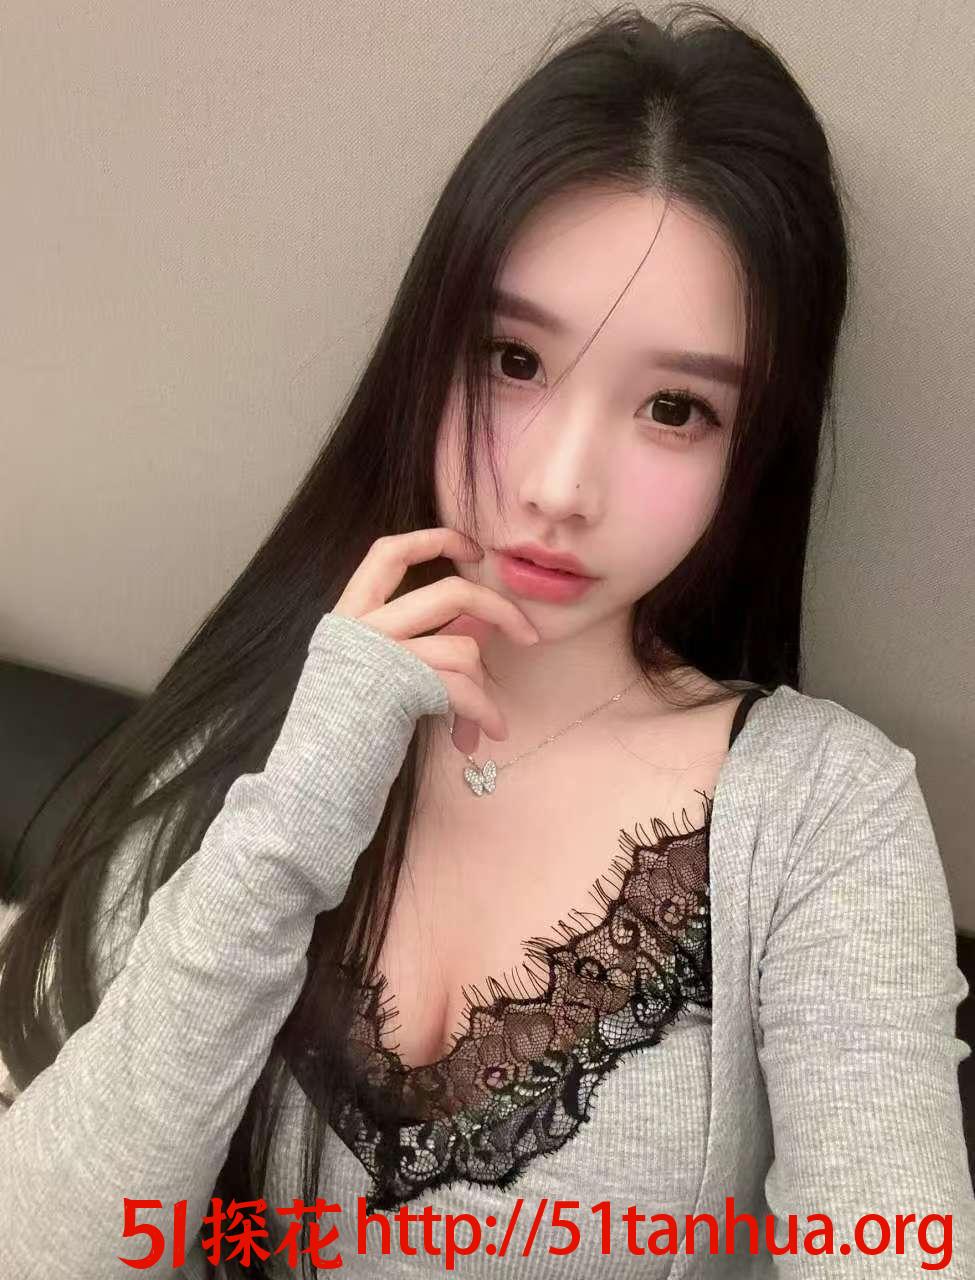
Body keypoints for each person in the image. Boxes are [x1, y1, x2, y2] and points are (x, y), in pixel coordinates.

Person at [1, 4, 972, 1276]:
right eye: (514, 358)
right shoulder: (271, 727)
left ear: (752, 447)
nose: (560, 485)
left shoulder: (820, 816)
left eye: (674, 406)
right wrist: (303, 803)